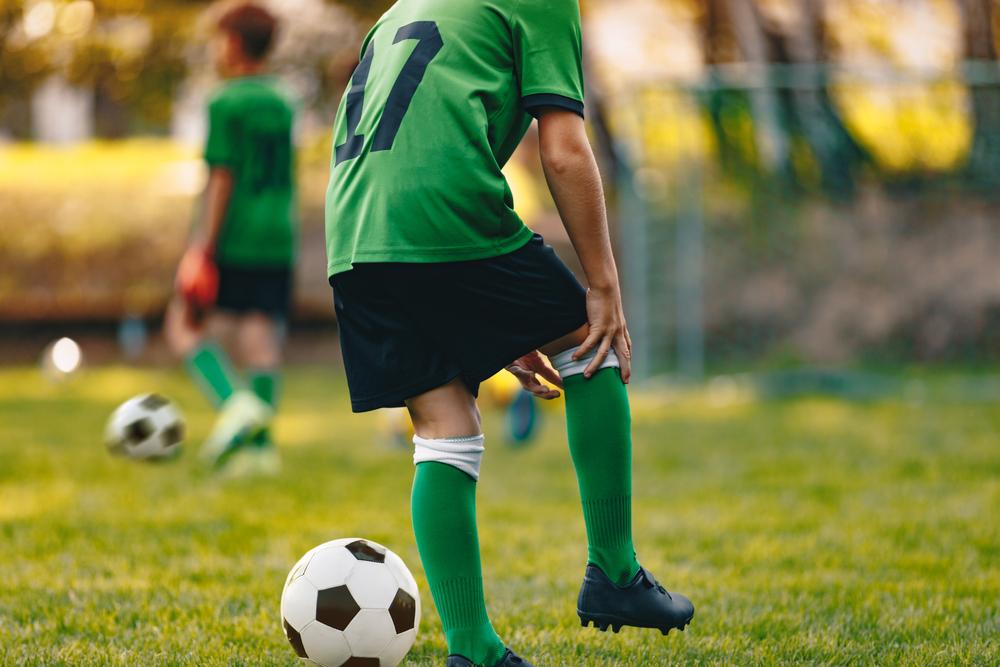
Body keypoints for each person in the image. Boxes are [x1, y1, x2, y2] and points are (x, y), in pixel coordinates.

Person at [325, 0, 694, 664]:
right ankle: (614, 572)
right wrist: (604, 284)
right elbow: (563, 149)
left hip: (353, 233)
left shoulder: (401, 8)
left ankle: (474, 650)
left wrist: (502, 323)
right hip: (440, 210)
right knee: (593, 341)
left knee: (444, 427)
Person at [165, 1, 296, 475]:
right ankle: (261, 452)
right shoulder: (283, 100)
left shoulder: (225, 101)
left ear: (235, 43)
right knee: (260, 337)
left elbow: (222, 177)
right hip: (277, 233)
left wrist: (202, 247)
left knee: (182, 324)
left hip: (236, 234)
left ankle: (236, 406)